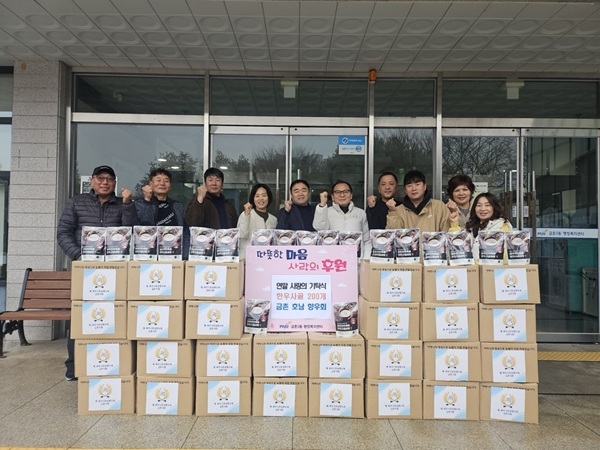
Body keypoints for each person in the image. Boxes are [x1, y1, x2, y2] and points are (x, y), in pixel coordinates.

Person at [56, 165, 138, 381]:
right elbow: (63, 232)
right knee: (81, 318)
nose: (105, 182)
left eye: (109, 179)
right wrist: (78, 256)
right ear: (92, 181)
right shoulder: (77, 202)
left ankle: (109, 362)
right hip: (84, 269)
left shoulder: (122, 204)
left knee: (113, 316)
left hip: (114, 270)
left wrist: (128, 204)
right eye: (100, 178)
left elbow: (131, 231)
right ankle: (74, 367)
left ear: (115, 183)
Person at [134, 168, 189, 258]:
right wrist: (147, 200)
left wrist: (184, 256)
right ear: (150, 184)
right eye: (158, 180)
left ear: (170, 186)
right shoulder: (140, 204)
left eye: (166, 181)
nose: (162, 183)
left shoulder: (177, 206)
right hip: (148, 255)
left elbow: (185, 232)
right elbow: (144, 227)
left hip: (174, 254)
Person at [313, 180, 371, 257]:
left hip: (355, 258)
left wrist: (365, 259)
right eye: (338, 192)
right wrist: (322, 205)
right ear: (332, 197)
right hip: (332, 258)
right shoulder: (325, 211)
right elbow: (320, 229)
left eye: (346, 191)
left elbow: (366, 240)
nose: (342, 195)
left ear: (351, 195)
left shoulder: (361, 213)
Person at [386, 170, 451, 232]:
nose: (414, 188)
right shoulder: (398, 210)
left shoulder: (439, 207)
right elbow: (393, 235)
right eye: (409, 186)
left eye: (417, 184)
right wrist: (392, 212)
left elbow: (448, 233)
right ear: (405, 190)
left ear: (425, 186)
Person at [237, 183, 277, 257]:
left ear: (268, 198)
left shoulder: (273, 219)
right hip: (248, 258)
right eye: (257, 196)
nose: (260, 199)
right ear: (253, 198)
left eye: (264, 195)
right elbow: (241, 235)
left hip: (267, 258)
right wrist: (246, 215)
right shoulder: (246, 214)